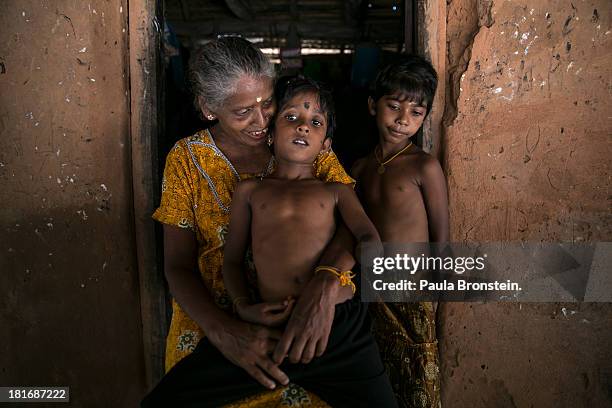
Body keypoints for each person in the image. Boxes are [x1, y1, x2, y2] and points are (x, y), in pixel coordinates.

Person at [143, 76, 398, 408]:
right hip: (270, 329)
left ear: (326, 145)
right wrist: (242, 306)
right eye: (291, 118)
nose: (303, 127)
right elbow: (232, 260)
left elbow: (366, 236)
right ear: (270, 135)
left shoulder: (335, 191)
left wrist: (343, 278)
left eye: (315, 122)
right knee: (164, 400)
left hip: (338, 327)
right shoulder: (250, 192)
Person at [351, 55, 449, 408]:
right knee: (380, 374)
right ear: (372, 106)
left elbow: (441, 233)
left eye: (416, 113)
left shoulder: (424, 165)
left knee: (418, 373)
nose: (403, 120)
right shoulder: (360, 168)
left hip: (413, 289)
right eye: (393, 106)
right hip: (372, 288)